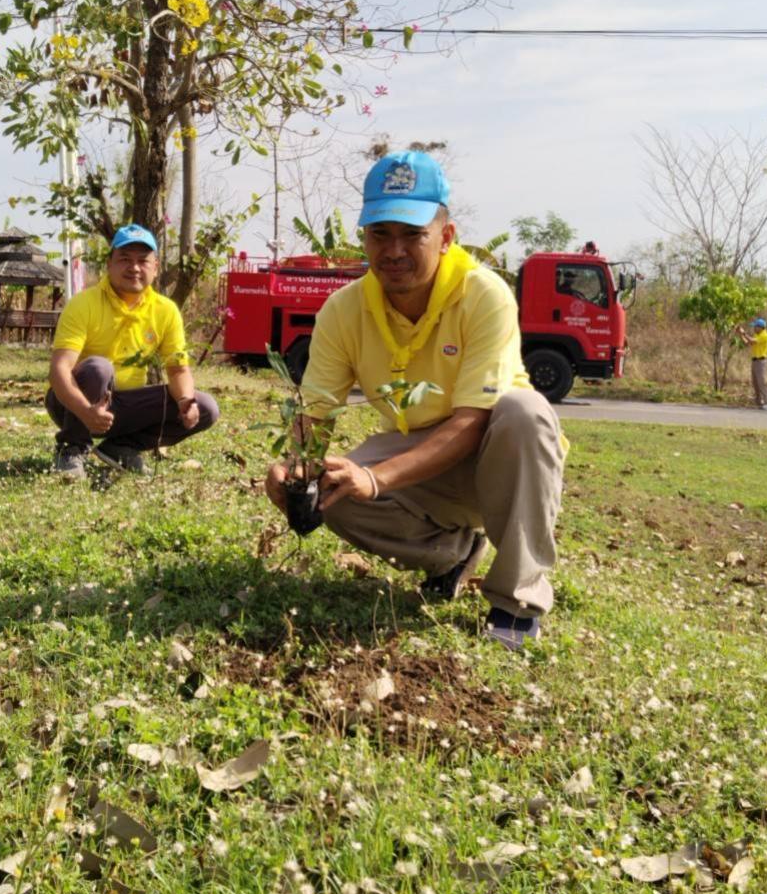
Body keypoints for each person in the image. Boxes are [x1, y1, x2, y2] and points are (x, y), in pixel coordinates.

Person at [265, 151, 566, 651]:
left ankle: (516, 600)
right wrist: (295, 469)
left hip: (497, 459)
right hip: (419, 462)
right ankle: (453, 556)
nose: (394, 250)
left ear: (446, 237)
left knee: (524, 410)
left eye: (412, 234)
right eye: (380, 233)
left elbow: (473, 422)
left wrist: (376, 478)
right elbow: (314, 413)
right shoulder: (344, 310)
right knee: (330, 485)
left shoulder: (483, 294)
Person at [46, 224, 219, 478]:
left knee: (205, 407)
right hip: (73, 404)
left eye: (142, 261)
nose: (134, 267)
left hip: (124, 406)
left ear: (156, 267)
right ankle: (71, 448)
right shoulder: (84, 303)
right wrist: (85, 411)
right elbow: (59, 369)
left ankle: (122, 447)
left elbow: (178, 368)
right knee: (98, 368)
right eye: (124, 259)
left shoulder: (165, 310)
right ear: (109, 263)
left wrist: (185, 402)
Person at [736, 316, 767, 410]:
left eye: (755, 326)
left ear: (760, 327)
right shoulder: (757, 335)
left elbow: (751, 340)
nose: (754, 328)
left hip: (761, 361)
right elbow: (747, 343)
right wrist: (741, 335)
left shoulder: (765, 335)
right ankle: (759, 403)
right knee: (755, 383)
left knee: (762, 382)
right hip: (755, 361)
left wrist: (744, 332)